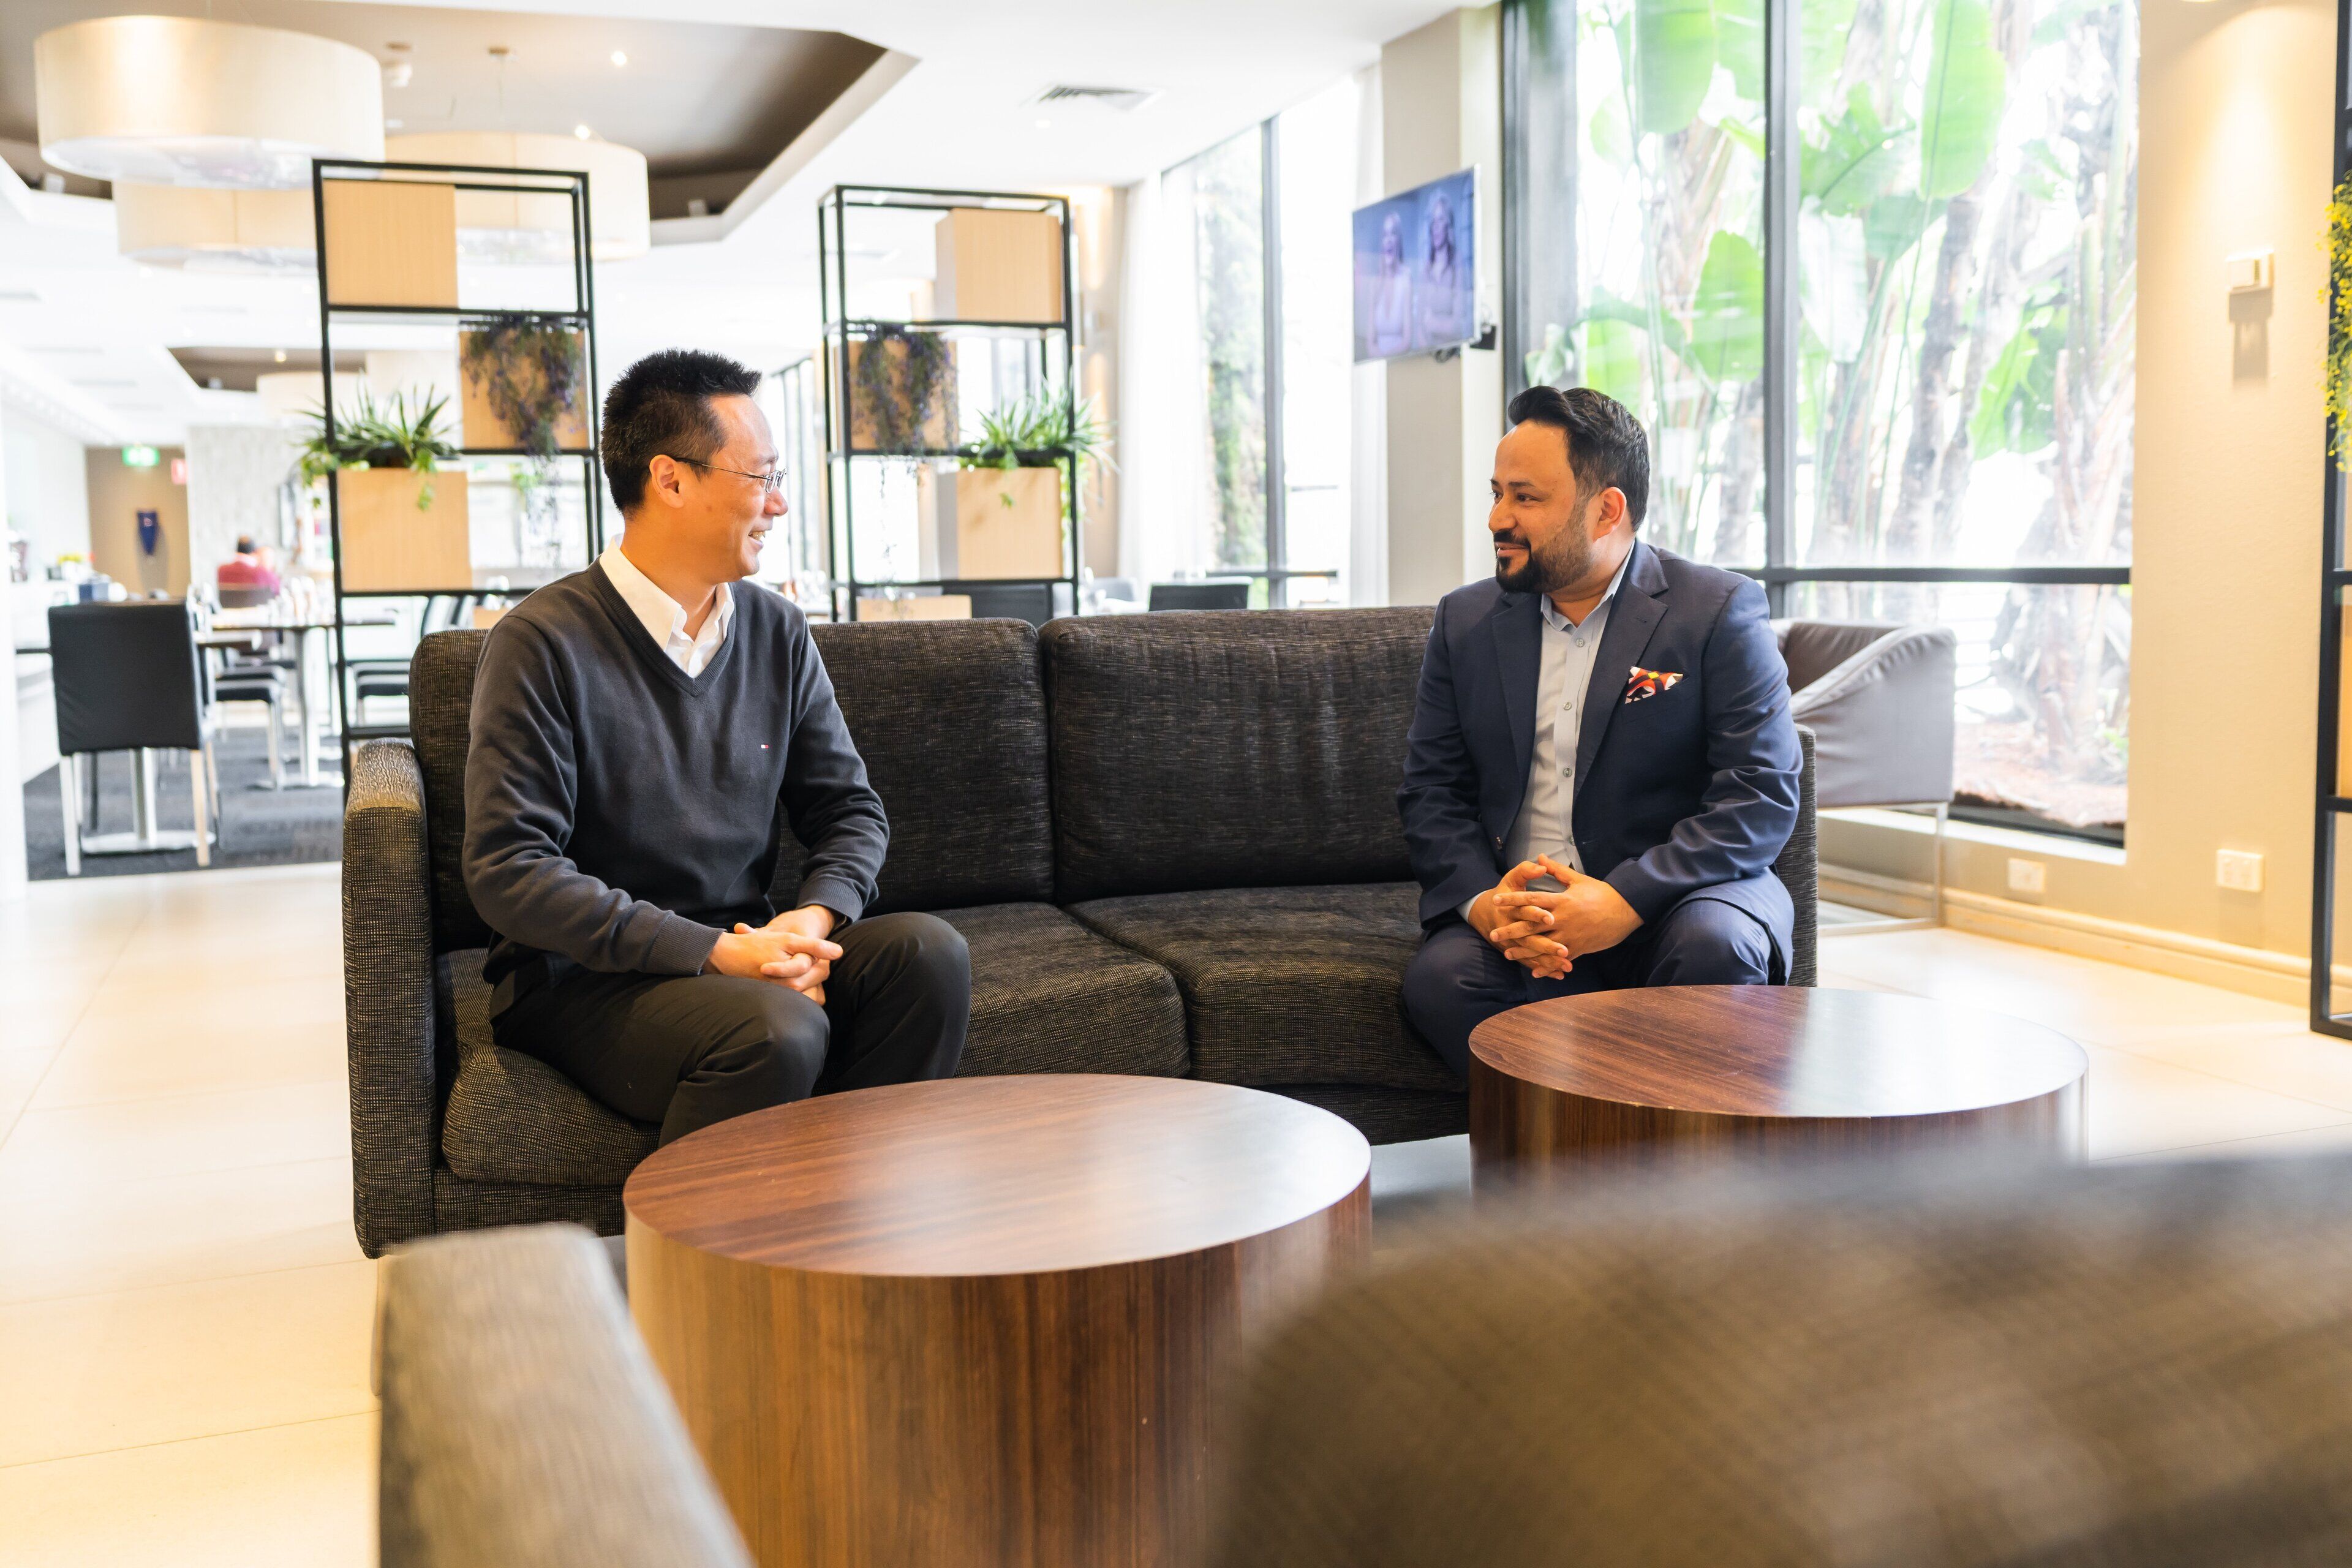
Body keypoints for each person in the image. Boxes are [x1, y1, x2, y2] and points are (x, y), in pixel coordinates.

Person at [463, 349, 970, 1145]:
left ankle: (855, 1213)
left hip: (748, 956)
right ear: (671, 480)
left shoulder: (775, 631)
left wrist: (810, 922)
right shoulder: (541, 642)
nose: (780, 504)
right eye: (761, 477)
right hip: (584, 983)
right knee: (774, 1028)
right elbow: (509, 872)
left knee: (928, 956)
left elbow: (849, 811)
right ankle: (693, 1268)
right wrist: (711, 954)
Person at [1395, 385, 1800, 1077]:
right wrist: (1487, 903)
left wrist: (1622, 901)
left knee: (1716, 945)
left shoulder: (1716, 611)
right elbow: (1433, 790)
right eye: (1497, 493)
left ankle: (1662, 1154)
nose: (1498, 517)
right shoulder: (1464, 622)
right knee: (1441, 980)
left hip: (1679, 901)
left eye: (1525, 498)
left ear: (1607, 509)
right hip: (1525, 911)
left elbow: (1760, 792)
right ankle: (1568, 1154)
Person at [215, 534, 281, 594]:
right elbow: (278, 590)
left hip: (227, 607)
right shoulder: (263, 573)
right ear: (254, 553)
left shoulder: (222, 570)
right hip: (257, 607)